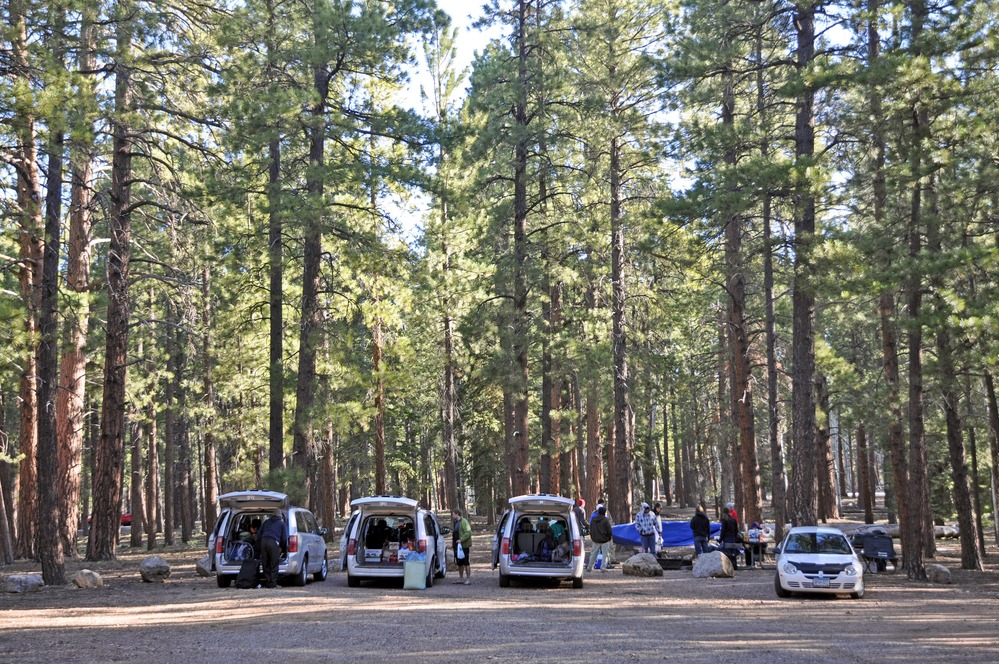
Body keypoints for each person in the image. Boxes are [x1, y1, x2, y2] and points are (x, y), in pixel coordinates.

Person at [257, 509, 287, 588]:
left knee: (265, 563)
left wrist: (258, 545)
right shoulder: (281, 524)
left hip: (264, 541)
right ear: (280, 516)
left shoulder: (266, 522)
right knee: (274, 563)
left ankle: (267, 581)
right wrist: (281, 547)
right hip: (273, 543)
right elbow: (284, 538)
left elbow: (259, 534)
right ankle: (273, 583)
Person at [586, 505, 613, 572]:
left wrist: (592, 537)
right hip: (605, 540)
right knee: (605, 554)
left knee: (593, 554)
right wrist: (609, 537)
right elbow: (609, 530)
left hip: (596, 539)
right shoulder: (605, 520)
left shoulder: (593, 520)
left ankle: (590, 566)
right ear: (604, 512)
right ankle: (603, 567)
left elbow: (591, 529)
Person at [452, 508, 472, 585]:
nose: (452, 515)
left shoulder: (464, 522)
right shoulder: (455, 522)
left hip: (464, 545)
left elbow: (468, 532)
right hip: (457, 546)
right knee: (459, 562)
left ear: (457, 514)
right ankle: (461, 578)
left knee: (466, 562)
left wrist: (461, 540)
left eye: (453, 514)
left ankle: (468, 579)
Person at [719, 505, 740, 569]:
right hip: (733, 538)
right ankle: (735, 565)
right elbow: (736, 530)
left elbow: (723, 530)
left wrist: (720, 539)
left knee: (727, 553)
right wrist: (736, 537)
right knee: (733, 552)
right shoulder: (733, 520)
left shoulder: (724, 520)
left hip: (727, 538)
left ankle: (728, 566)